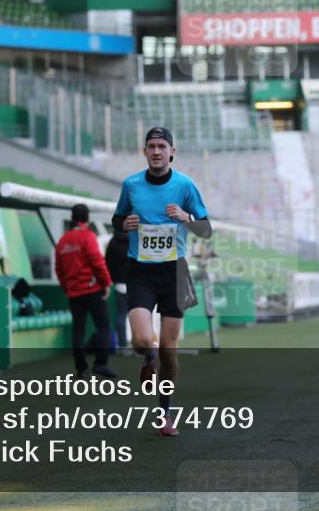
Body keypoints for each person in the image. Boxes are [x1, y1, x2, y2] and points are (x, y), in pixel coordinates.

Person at [112, 126, 212, 437]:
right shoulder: (131, 185)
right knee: (142, 340)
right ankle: (148, 357)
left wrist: (186, 217)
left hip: (175, 271)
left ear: (172, 152)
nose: (156, 151)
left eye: (162, 146)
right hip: (141, 270)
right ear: (144, 152)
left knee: (171, 350)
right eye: (151, 146)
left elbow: (206, 229)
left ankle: (165, 413)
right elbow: (117, 220)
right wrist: (124, 225)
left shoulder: (185, 186)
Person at [55, 203, 117, 380]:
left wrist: (66, 287)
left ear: (72, 218)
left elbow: (59, 269)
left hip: (74, 293)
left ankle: (81, 370)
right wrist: (106, 283)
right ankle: (100, 364)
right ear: (88, 218)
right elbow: (97, 262)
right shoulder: (87, 236)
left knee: (78, 331)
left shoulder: (63, 240)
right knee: (104, 326)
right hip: (92, 290)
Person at [105, 228, 131, 352]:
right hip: (136, 284)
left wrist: (113, 279)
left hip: (119, 284)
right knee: (139, 316)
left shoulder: (113, 242)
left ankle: (122, 345)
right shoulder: (135, 239)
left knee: (121, 315)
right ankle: (140, 346)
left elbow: (108, 263)